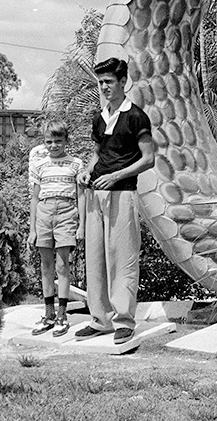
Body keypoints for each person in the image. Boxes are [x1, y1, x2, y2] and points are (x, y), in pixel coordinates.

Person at [73, 58, 153, 345]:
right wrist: (87, 171)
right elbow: (97, 154)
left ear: (123, 83)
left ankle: (123, 321)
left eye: (109, 81)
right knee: (95, 259)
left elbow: (148, 159)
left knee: (122, 260)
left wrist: (116, 176)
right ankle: (99, 319)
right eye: (101, 82)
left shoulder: (136, 117)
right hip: (96, 195)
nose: (104, 87)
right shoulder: (100, 117)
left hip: (122, 195)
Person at [26, 121, 86, 336]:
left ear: (66, 141)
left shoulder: (75, 164)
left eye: (58, 141)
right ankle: (48, 313)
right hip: (43, 212)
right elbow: (34, 198)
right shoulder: (39, 165)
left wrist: (81, 225)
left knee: (62, 265)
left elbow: (81, 195)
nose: (53, 146)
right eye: (49, 142)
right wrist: (32, 229)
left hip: (66, 213)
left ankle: (62, 314)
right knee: (45, 266)